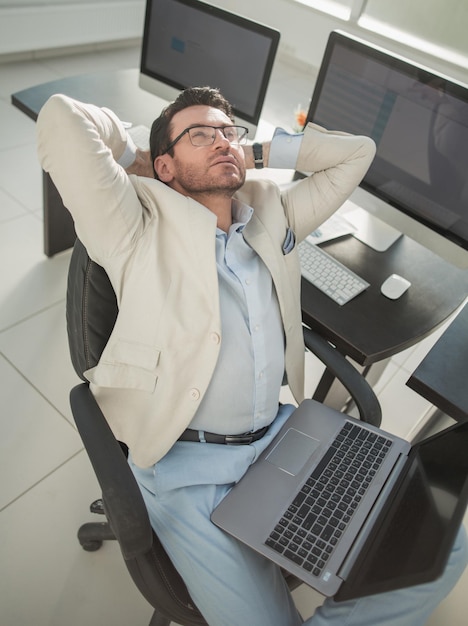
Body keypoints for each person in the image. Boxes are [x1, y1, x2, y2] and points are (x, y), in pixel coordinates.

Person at [37, 87, 467, 626]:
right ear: (165, 165)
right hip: (189, 470)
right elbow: (60, 117)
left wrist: (256, 151)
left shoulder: (272, 212)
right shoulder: (133, 224)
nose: (221, 141)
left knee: (444, 545)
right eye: (199, 135)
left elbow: (356, 152)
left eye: (227, 132)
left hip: (285, 437)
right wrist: (135, 156)